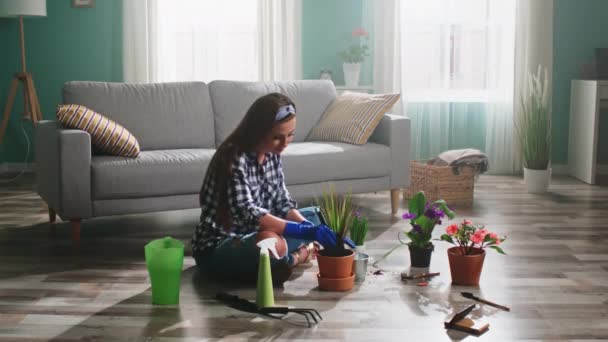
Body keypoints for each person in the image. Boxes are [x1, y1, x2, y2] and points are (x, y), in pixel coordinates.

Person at [192, 93, 344, 284]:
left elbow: (282, 202)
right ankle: (295, 257)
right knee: (271, 242)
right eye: (277, 137)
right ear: (258, 131)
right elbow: (249, 213)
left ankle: (278, 262)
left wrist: (312, 227)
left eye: (290, 135)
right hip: (220, 246)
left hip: (257, 232)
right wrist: (306, 233)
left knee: (318, 217)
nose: (284, 143)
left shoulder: (272, 153)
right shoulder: (232, 157)